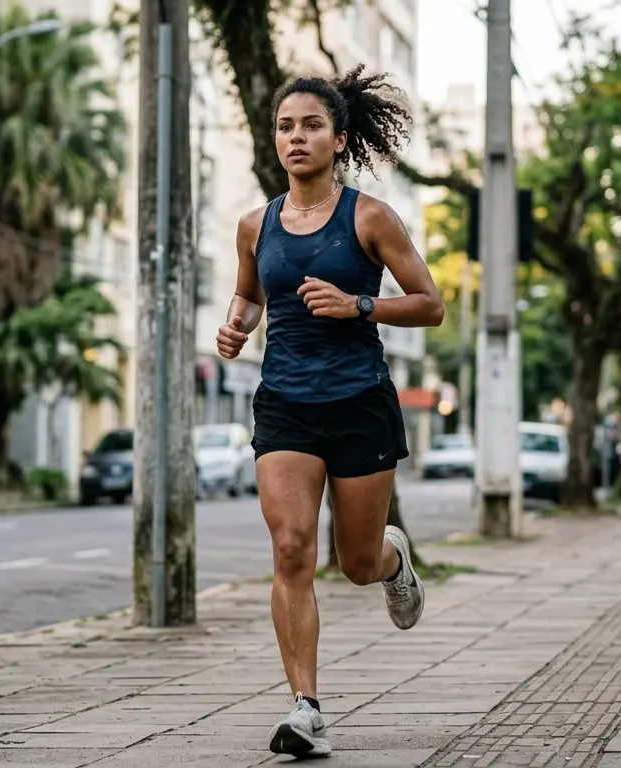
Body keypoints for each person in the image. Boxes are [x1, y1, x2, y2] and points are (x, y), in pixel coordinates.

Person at [214, 64, 445, 758]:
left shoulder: (370, 217)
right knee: (290, 549)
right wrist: (234, 325)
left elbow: (431, 304)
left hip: (359, 403)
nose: (296, 137)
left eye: (311, 125)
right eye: (285, 127)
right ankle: (306, 708)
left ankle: (392, 559)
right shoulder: (255, 225)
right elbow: (251, 297)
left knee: (355, 561)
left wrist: (359, 305)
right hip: (284, 400)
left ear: (339, 138)